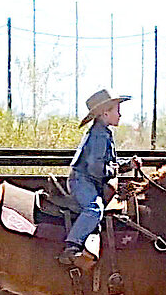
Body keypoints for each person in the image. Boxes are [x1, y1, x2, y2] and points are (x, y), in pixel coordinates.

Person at [58, 88, 140, 266]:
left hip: (88, 180)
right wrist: (115, 171)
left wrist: (127, 164)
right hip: (82, 181)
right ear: (105, 113)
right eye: (117, 111)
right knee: (94, 209)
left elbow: (109, 162)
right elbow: (96, 168)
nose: (120, 115)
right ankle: (72, 245)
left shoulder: (103, 133)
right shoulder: (99, 135)